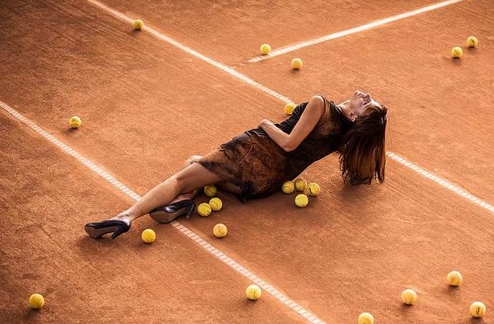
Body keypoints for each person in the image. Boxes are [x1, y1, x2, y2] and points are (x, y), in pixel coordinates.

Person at [84, 91, 388, 239]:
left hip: (251, 153)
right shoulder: (343, 137)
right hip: (264, 184)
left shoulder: (321, 105)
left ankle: (127, 216)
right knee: (199, 173)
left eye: (366, 104)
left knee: (183, 173)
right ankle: (182, 204)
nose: (364, 95)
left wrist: (266, 123)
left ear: (353, 117)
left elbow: (289, 143)